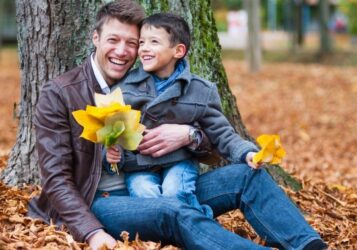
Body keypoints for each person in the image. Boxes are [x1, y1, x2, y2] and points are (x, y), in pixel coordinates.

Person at [28, 0, 327, 249]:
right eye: (113, 40)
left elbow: (213, 132)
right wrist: (91, 231)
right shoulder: (60, 93)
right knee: (173, 208)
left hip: (164, 181)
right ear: (95, 38)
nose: (122, 51)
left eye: (132, 43)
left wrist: (189, 135)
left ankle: (307, 244)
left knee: (247, 177)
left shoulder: (148, 80)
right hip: (101, 200)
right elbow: (55, 178)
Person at [103, 13, 261, 220]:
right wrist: (112, 156)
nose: (144, 48)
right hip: (138, 165)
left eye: (154, 42)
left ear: (178, 51)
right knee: (145, 195)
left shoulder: (200, 90)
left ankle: (197, 226)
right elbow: (112, 134)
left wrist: (246, 152)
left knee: (175, 191)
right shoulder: (125, 88)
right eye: (142, 42)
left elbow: (222, 132)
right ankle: (175, 232)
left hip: (179, 161)